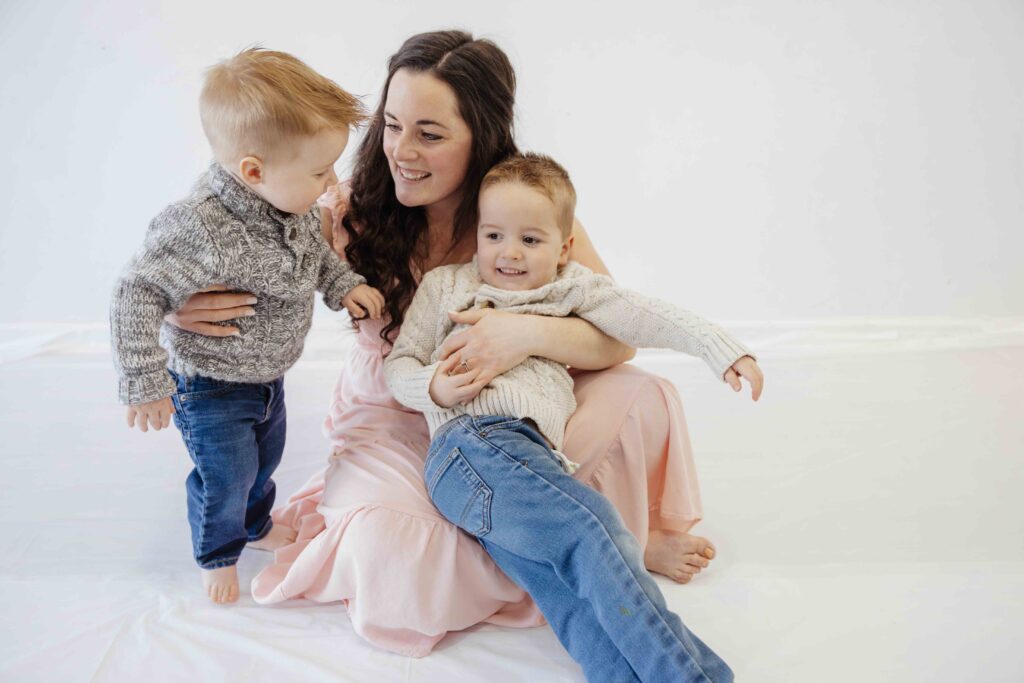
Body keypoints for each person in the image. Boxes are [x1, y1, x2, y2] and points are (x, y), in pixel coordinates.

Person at [169, 30, 753, 656]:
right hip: (396, 417)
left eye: (429, 133)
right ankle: (611, 546)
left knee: (644, 396)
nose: (402, 151)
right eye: (392, 126)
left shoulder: (524, 213)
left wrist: (521, 333)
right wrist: (177, 303)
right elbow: (226, 197)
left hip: (516, 412)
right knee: (387, 551)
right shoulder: (341, 207)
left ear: (483, 137)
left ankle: (620, 541)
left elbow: (618, 337)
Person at [383, 152, 757, 681]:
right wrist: (435, 387)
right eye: (493, 236)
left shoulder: (570, 289)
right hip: (468, 450)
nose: (508, 253)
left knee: (568, 598)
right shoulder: (447, 286)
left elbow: (642, 315)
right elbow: (399, 364)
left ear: (564, 248)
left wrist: (720, 348)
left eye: (530, 240)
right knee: (595, 526)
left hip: (524, 462)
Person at [110, 48, 384, 605]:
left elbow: (318, 258)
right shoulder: (200, 225)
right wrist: (146, 379)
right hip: (210, 385)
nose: (330, 180)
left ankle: (255, 523)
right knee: (226, 475)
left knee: (266, 460)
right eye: (318, 170)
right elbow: (136, 290)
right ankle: (218, 550)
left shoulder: (294, 205)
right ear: (254, 170)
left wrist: (344, 285)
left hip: (266, 378)